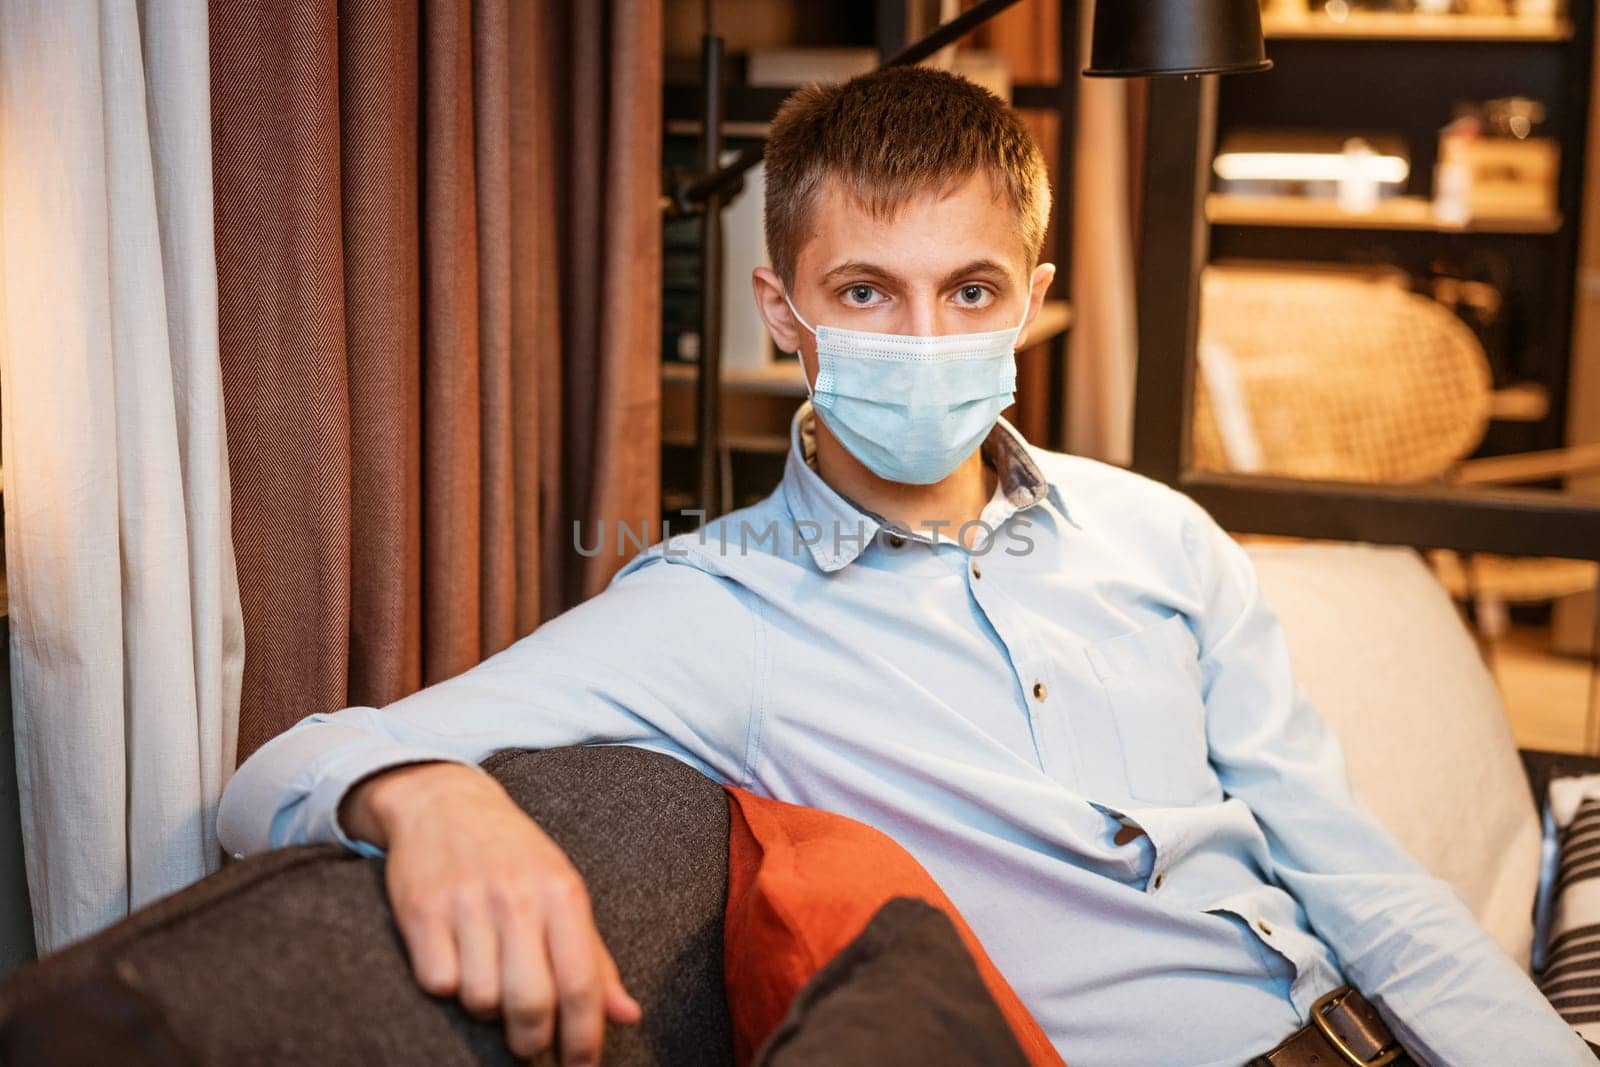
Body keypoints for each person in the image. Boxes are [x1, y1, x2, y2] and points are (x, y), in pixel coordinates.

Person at [218, 66, 1590, 1067]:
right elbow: (275, 773)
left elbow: (1351, 867)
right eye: (867, 291)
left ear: (1033, 306)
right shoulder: (713, 610)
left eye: (971, 290)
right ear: (784, 314)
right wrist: (426, 797)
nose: (924, 335)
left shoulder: (1161, 534)